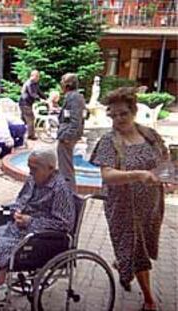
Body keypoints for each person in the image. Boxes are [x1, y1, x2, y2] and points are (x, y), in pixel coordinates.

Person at [90, 87, 175, 311]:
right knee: (136, 251)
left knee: (142, 245)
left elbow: (164, 160)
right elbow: (107, 175)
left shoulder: (149, 134)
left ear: (133, 111)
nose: (118, 119)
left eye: (123, 113)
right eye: (113, 114)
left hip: (152, 205)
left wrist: (167, 177)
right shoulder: (109, 142)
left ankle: (123, 264)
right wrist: (138, 175)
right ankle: (149, 299)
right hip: (123, 207)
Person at [0, 149, 76, 284]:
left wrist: (30, 221)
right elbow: (21, 200)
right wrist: (17, 211)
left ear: (50, 169)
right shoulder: (33, 179)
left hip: (39, 237)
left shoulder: (60, 189)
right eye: (29, 167)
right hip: (19, 228)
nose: (30, 172)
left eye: (34, 168)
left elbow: (64, 224)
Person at [57, 73, 86, 190]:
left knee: (66, 167)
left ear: (67, 84)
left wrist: (68, 136)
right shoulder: (72, 96)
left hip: (67, 136)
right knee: (64, 166)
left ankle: (69, 194)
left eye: (62, 82)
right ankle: (66, 193)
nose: (61, 84)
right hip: (65, 135)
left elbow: (76, 119)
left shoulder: (74, 97)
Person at [19, 70, 47, 140]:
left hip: (27, 103)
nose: (38, 78)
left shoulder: (35, 83)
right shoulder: (29, 83)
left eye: (38, 76)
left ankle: (20, 134)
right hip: (25, 103)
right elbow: (32, 93)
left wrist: (45, 98)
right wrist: (40, 99)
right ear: (33, 76)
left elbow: (39, 92)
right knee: (30, 119)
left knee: (23, 120)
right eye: (37, 76)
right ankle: (31, 135)